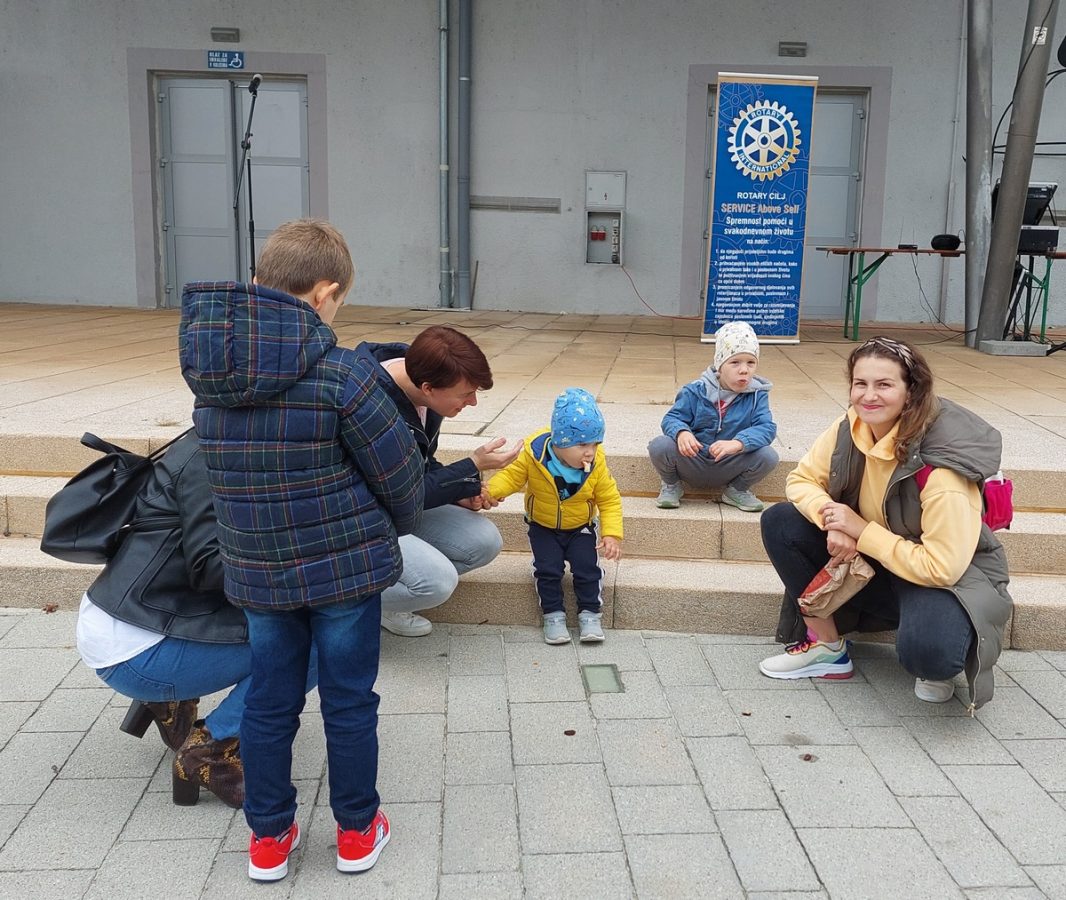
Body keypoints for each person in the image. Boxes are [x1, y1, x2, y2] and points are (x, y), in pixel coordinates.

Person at [180, 219, 425, 882]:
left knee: (269, 702)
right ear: (323, 294)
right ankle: (356, 832)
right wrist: (393, 524)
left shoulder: (210, 380)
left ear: (258, 281)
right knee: (348, 702)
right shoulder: (344, 375)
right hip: (343, 573)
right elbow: (401, 478)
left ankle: (268, 839)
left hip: (259, 574)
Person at [757, 336, 1012, 710]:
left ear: (911, 393)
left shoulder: (942, 470)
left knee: (930, 654)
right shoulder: (851, 426)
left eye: (884, 385)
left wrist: (862, 531)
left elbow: (941, 567)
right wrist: (834, 520)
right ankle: (826, 648)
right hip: (880, 563)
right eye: (860, 383)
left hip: (942, 580)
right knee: (782, 522)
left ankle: (938, 647)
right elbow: (801, 480)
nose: (869, 396)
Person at [75, 429, 250, 810]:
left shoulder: (212, 436)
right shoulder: (211, 458)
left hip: (134, 618)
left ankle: (169, 702)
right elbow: (209, 567)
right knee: (310, 642)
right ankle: (209, 751)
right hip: (136, 647)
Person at [356, 326, 518, 637]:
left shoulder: (423, 379)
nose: (473, 402)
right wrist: (472, 465)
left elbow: (419, 466)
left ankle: (387, 603)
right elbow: (399, 492)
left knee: (483, 541)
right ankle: (328, 606)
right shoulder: (368, 403)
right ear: (428, 388)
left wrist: (461, 492)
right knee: (435, 582)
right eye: (466, 394)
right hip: (358, 517)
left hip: (392, 507)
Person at [487, 388, 623, 645]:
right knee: (547, 570)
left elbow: (609, 499)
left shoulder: (596, 465)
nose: (590, 452)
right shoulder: (534, 456)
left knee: (587, 568)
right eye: (582, 444)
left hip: (581, 528)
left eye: (595, 444)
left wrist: (612, 534)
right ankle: (553, 615)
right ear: (560, 441)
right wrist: (490, 491)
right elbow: (511, 477)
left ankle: (590, 614)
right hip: (543, 527)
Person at [649, 320, 778, 513]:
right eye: (735, 362)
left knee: (768, 456)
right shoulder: (695, 390)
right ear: (720, 365)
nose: (744, 369)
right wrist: (682, 432)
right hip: (693, 458)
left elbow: (766, 428)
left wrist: (739, 443)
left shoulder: (757, 395)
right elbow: (672, 418)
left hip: (729, 461)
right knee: (660, 445)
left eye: (751, 362)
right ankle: (671, 485)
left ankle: (737, 490)